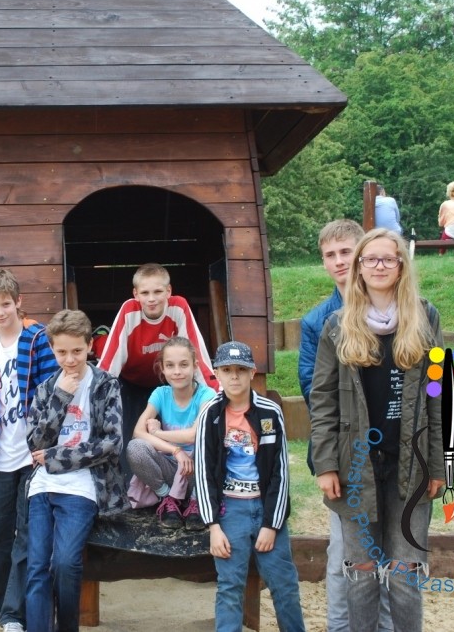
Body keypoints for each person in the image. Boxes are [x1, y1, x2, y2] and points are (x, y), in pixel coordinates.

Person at [309, 229, 444, 632]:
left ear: (401, 266)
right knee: (362, 572)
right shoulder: (337, 324)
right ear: (359, 268)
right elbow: (323, 400)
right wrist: (325, 464)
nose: (379, 266)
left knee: (405, 573)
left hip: (411, 465)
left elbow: (438, 396)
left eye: (388, 259)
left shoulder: (426, 316)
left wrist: (439, 466)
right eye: (370, 259)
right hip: (356, 465)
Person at [298, 219, 393, 632]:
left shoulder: (396, 310)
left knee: (392, 550)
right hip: (344, 450)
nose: (339, 261)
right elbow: (313, 388)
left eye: (346, 252)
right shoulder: (318, 321)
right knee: (345, 552)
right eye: (330, 255)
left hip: (391, 447)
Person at [0, 268, 58, 631]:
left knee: (26, 536)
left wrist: (47, 448)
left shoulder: (38, 339)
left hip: (33, 458)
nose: (0, 312)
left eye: (5, 304)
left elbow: (52, 397)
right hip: (0, 459)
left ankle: (14, 614)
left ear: (19, 302)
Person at [25, 309, 126, 632]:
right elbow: (35, 442)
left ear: (90, 346)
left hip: (83, 486)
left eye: (77, 351)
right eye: (62, 352)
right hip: (43, 487)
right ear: (52, 350)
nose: (70, 360)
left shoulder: (106, 385)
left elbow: (111, 443)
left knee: (66, 563)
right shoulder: (46, 388)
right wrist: (62, 396)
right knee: (37, 567)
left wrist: (56, 457)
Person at [194, 341, 305, 632]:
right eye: (227, 370)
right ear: (217, 373)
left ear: (252, 372)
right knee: (230, 586)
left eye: (241, 370)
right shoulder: (210, 414)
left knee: (284, 584)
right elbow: (203, 473)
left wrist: (272, 524)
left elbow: (280, 472)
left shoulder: (270, 412)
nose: (234, 376)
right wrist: (213, 526)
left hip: (265, 508)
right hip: (230, 510)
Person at [97, 263, 215, 471]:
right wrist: (93, 398)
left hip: (168, 384)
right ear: (136, 294)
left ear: (168, 291)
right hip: (131, 382)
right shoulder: (129, 311)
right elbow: (109, 362)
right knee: (129, 436)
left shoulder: (178, 307)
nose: (151, 299)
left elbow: (197, 355)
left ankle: (176, 480)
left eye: (158, 292)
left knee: (176, 437)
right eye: (145, 293)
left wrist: (217, 394)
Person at [126, 336, 217, 531]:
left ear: (195, 366)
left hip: (197, 472)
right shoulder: (161, 394)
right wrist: (176, 450)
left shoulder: (207, 395)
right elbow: (137, 433)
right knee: (136, 448)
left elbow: (193, 435)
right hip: (172, 468)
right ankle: (168, 498)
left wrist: (157, 433)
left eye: (184, 365)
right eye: (170, 365)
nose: (177, 371)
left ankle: (196, 502)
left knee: (207, 445)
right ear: (163, 368)